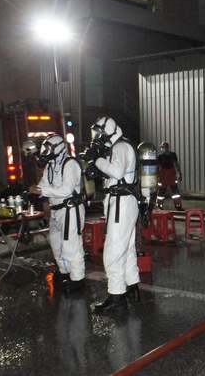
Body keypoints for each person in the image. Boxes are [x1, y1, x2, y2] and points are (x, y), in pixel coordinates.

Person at [89, 117, 141, 314]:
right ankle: (132, 285)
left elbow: (117, 172)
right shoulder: (121, 146)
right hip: (124, 202)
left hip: (121, 204)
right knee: (126, 249)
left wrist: (96, 159)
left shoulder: (119, 147)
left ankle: (116, 298)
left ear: (108, 131)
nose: (98, 137)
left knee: (113, 251)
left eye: (100, 133)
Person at [29, 134, 85, 293]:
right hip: (56, 211)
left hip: (70, 210)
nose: (46, 152)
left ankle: (78, 278)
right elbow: (44, 184)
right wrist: (36, 192)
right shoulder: (51, 166)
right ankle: (64, 272)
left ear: (59, 148)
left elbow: (66, 190)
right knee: (56, 245)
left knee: (71, 246)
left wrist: (42, 190)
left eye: (49, 148)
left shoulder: (71, 164)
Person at [156, 141, 183, 210]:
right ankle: (159, 206)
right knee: (161, 192)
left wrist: (179, 173)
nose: (163, 149)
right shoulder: (160, 156)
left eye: (164, 147)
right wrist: (157, 177)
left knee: (175, 191)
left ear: (167, 147)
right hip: (163, 175)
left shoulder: (173, 155)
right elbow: (158, 167)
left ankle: (178, 205)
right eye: (163, 148)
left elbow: (176, 164)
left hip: (171, 174)